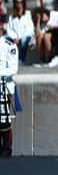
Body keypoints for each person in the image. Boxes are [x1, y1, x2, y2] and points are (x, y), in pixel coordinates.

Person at [0, 17, 19, 157]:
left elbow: (13, 69)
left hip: (5, 87)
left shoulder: (9, 45)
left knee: (4, 120)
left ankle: (7, 147)